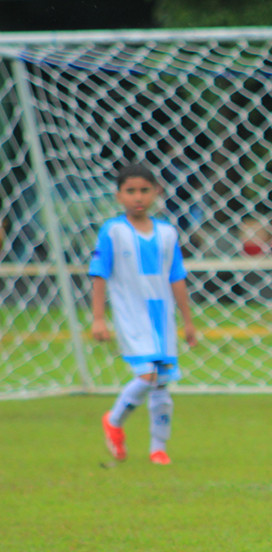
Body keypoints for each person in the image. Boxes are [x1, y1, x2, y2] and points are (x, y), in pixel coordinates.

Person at [89, 163, 198, 465]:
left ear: (156, 192)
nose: (138, 197)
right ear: (119, 195)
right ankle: (114, 419)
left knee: (162, 382)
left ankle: (157, 448)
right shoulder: (113, 230)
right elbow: (99, 273)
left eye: (144, 190)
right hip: (130, 314)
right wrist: (98, 317)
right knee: (148, 374)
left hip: (161, 316)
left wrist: (188, 322)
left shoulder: (167, 232)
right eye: (131, 191)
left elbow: (177, 277)